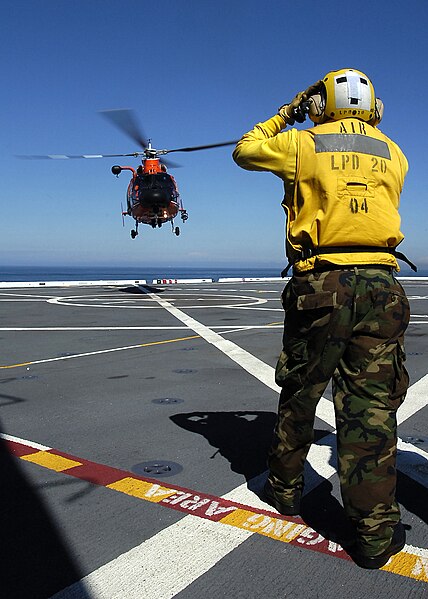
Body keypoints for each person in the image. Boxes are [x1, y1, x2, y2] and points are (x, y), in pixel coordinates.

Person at [232, 68, 415, 569]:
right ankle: (374, 536)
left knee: (301, 388)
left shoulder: (302, 143)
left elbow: (245, 150)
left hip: (322, 283)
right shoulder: (395, 153)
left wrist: (287, 113)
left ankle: (286, 490)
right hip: (382, 284)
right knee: (371, 410)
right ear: (373, 107)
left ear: (321, 103)